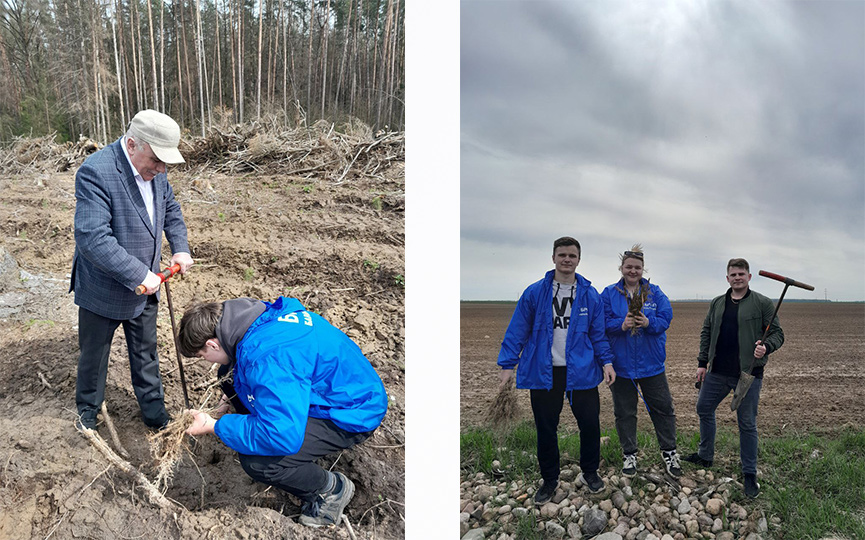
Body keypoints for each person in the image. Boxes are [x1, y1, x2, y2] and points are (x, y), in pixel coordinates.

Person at [177, 296, 388, 528]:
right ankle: (269, 429)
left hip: (353, 411)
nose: (206, 361)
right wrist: (230, 397)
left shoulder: (268, 357)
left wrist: (215, 425)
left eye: (202, 356)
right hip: (339, 388)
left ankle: (330, 490)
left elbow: (279, 435)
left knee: (259, 461)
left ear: (212, 345)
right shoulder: (257, 319)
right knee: (228, 375)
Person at [71, 109, 194, 431]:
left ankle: (155, 415)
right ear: (131, 145)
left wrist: (180, 248)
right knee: (94, 356)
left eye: (166, 162)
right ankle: (87, 411)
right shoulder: (96, 171)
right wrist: (139, 274)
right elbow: (92, 238)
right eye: (156, 159)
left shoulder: (157, 171)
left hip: (147, 285)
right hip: (105, 286)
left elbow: (170, 210)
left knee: (146, 353)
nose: (162, 168)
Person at [497, 236, 616, 504]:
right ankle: (550, 480)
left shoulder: (590, 295)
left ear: (578, 260)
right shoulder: (534, 293)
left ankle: (590, 472)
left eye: (572, 256)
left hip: (582, 372)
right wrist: (507, 364)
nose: (566, 259)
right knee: (546, 428)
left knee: (590, 425)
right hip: (544, 371)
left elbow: (598, 334)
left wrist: (607, 362)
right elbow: (517, 330)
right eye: (562, 255)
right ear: (553, 258)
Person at [682, 258, 784, 498]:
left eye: (741, 274)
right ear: (727, 278)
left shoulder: (762, 303)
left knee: (746, 423)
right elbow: (706, 332)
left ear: (749, 277)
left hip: (747, 374)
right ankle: (705, 456)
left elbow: (778, 334)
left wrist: (766, 347)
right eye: (733, 274)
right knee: (703, 408)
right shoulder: (717, 303)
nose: (737, 278)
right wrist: (701, 364)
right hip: (717, 371)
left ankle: (749, 473)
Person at [600, 245, 680, 479]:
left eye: (637, 267)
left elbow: (666, 318)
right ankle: (629, 454)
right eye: (629, 267)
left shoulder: (654, 292)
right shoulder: (609, 293)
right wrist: (620, 325)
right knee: (624, 412)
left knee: (663, 409)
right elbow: (601, 322)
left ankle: (669, 452)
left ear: (643, 269)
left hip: (651, 364)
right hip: (621, 366)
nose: (633, 271)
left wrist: (648, 322)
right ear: (621, 268)